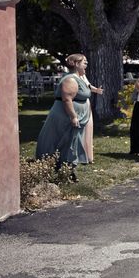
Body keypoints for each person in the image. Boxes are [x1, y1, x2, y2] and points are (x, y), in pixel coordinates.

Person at [35, 54, 92, 182]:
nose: (86, 64)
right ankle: (62, 170)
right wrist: (73, 116)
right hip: (65, 116)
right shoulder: (71, 79)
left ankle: (67, 170)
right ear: (76, 64)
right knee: (65, 141)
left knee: (71, 142)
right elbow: (67, 99)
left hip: (75, 116)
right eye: (84, 62)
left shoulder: (80, 78)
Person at [77, 73, 103, 164]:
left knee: (88, 128)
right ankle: (78, 155)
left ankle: (87, 156)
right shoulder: (72, 76)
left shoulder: (83, 75)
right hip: (78, 104)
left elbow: (88, 85)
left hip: (86, 104)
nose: (86, 64)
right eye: (84, 62)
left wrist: (96, 90)